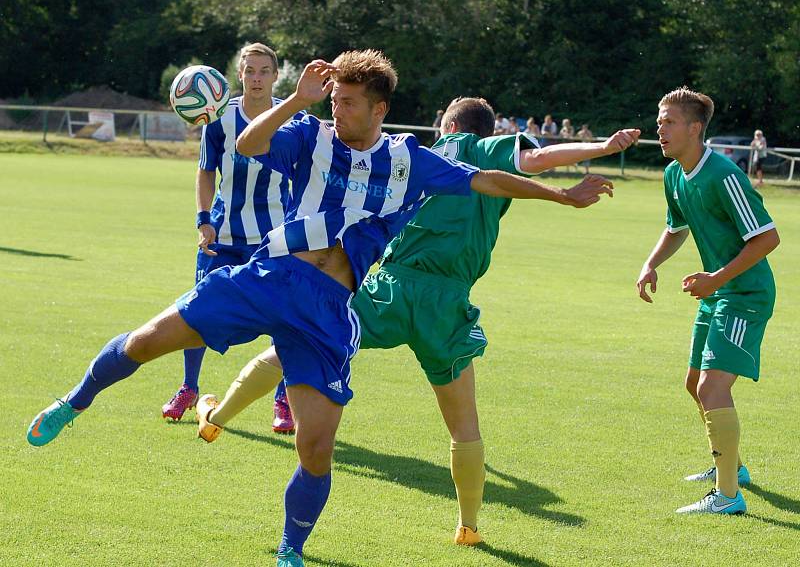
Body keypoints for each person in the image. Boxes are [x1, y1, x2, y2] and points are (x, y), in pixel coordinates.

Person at [27, 50, 614, 567]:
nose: (338, 110)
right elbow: (248, 143)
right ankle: (72, 403)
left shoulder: (411, 160)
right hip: (270, 276)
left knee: (317, 446)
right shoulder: (309, 135)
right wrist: (296, 102)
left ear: (380, 108)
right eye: (333, 100)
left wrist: (564, 196)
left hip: (331, 309)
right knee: (149, 340)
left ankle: (290, 550)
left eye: (349, 103)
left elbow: (488, 179)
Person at [192, 97, 634, 547]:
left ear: (450, 124)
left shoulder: (428, 154)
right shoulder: (485, 155)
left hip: (388, 287)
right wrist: (599, 150)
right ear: (488, 130)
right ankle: (469, 527)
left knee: (292, 351)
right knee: (464, 424)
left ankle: (216, 417)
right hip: (446, 304)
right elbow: (535, 159)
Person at [636, 87, 779, 516]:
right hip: (717, 294)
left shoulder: (724, 175)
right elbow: (675, 227)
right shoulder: (674, 174)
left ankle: (729, 495)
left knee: (711, 387)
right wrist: (651, 263)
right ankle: (732, 467)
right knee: (693, 384)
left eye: (669, 122)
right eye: (659, 121)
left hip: (745, 294)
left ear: (695, 128)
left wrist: (716, 278)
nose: (660, 128)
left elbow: (767, 238)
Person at [160, 43, 303, 435]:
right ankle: (189, 388)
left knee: (283, 319)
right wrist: (203, 220)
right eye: (250, 71)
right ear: (239, 75)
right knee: (196, 312)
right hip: (221, 234)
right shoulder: (219, 119)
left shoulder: (292, 120)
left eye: (264, 71)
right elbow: (206, 172)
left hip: (273, 238)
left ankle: (283, 398)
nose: (256, 78)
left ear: (276, 77)